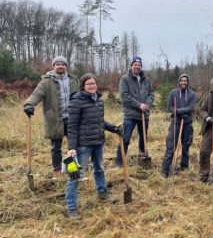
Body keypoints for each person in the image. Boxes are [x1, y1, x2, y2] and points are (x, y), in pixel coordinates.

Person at [65, 73, 122, 219]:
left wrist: (114, 129)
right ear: (83, 86)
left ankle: (102, 193)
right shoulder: (76, 101)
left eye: (94, 83)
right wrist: (71, 147)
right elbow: (71, 126)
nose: (92, 86)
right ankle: (71, 207)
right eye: (89, 84)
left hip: (98, 142)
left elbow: (100, 122)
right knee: (75, 175)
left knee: (99, 168)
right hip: (83, 145)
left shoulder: (98, 101)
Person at [23, 56, 79, 179]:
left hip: (72, 119)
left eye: (63, 64)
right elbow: (36, 94)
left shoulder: (73, 80)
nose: (60, 66)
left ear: (66, 66)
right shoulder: (46, 82)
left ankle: (73, 170)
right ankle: (57, 171)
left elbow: (81, 96)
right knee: (56, 148)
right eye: (57, 64)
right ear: (53, 66)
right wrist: (29, 104)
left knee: (74, 146)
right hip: (54, 119)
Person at [115, 56, 155, 167]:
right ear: (132, 66)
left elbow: (151, 94)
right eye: (135, 65)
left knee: (143, 138)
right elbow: (124, 96)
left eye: (139, 65)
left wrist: (146, 104)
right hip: (130, 115)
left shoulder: (146, 80)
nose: (137, 67)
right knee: (126, 138)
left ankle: (142, 157)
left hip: (144, 115)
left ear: (141, 67)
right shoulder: (125, 79)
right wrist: (139, 105)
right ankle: (120, 161)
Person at [161, 74, 197, 178]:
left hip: (187, 124)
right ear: (179, 82)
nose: (183, 82)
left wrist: (178, 111)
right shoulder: (173, 93)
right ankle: (165, 171)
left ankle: (184, 169)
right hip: (175, 123)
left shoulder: (192, 94)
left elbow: (191, 107)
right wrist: (179, 112)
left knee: (186, 147)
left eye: (185, 81)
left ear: (188, 82)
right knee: (170, 147)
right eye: (182, 80)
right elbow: (169, 107)